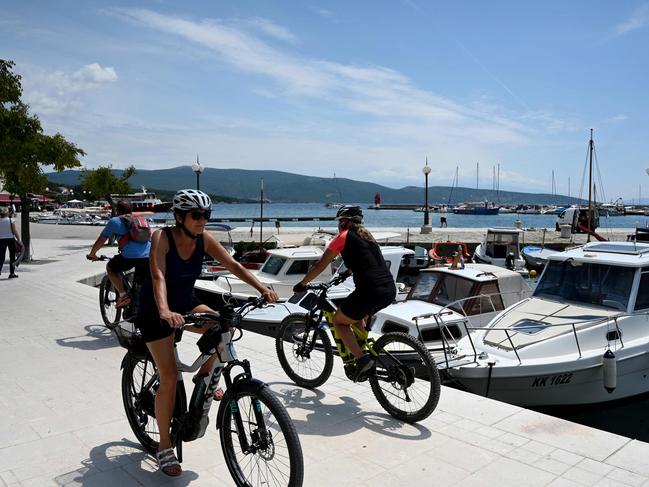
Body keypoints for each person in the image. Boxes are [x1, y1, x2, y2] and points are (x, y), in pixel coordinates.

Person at [136, 189, 278, 477]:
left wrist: (261, 288)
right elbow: (158, 275)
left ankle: (205, 374)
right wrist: (164, 310)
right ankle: (165, 446)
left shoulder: (204, 239)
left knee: (224, 325)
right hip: (155, 309)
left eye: (206, 215)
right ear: (179, 217)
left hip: (186, 301)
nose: (203, 220)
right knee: (170, 376)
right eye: (196, 215)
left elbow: (234, 265)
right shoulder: (161, 238)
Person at [293, 205, 396, 381]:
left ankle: (361, 359)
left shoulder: (343, 237)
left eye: (340, 222)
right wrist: (347, 273)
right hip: (388, 289)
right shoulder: (367, 236)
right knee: (355, 316)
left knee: (339, 321)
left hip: (369, 290)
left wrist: (302, 283)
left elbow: (320, 265)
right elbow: (363, 260)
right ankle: (362, 350)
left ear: (343, 222)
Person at [87, 200, 150, 307]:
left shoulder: (114, 221)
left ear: (117, 211)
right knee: (140, 285)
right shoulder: (141, 219)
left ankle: (123, 295)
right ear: (131, 210)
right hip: (148, 256)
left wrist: (92, 254)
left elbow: (101, 240)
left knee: (111, 268)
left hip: (129, 257)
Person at [0, 207, 21, 278]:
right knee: (12, 256)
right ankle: (12, 273)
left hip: (1, 240)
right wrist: (18, 239)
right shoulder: (10, 220)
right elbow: (14, 231)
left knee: (1, 256)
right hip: (10, 239)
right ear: (8, 213)